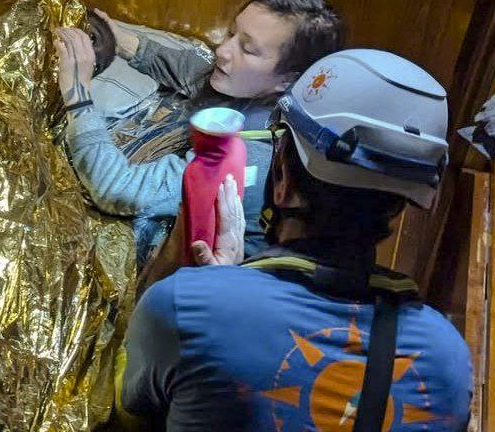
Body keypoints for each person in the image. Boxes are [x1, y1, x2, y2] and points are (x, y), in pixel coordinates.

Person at [115, 49, 472, 431]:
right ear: (398, 207)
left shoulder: (183, 306)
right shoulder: (447, 357)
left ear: (282, 177)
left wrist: (202, 274)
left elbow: (128, 413)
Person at [54, 0, 344, 260]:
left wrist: (78, 95)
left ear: (289, 80)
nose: (222, 50)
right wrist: (121, 42)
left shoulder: (242, 157)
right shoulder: (269, 92)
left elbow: (116, 188)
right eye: (231, 33)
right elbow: (197, 72)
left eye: (247, 48)